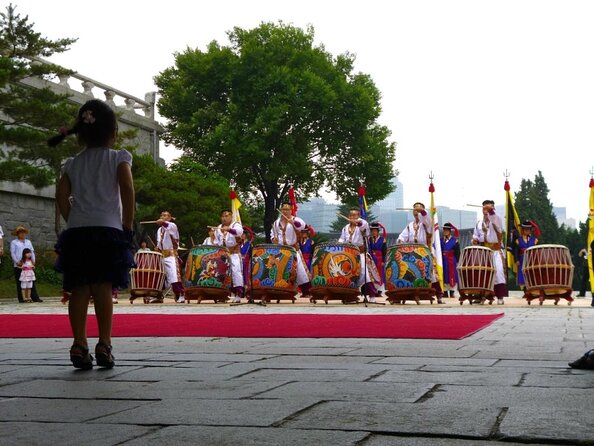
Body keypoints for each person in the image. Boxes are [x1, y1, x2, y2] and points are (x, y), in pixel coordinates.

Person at [51, 99, 135, 369]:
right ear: (113, 133)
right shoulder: (119, 157)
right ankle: (104, 343)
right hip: (108, 229)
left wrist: (72, 219)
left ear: (81, 133)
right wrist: (127, 223)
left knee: (78, 289)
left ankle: (79, 343)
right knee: (102, 287)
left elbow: (61, 196)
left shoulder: (72, 163)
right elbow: (127, 190)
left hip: (77, 232)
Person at [397, 203, 444, 303]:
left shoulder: (426, 223)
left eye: (418, 208)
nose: (416, 210)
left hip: (424, 252)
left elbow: (426, 218)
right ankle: (404, 293)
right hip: (411, 252)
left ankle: (439, 296)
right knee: (406, 270)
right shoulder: (410, 226)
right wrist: (400, 240)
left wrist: (422, 211)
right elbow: (402, 236)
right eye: (415, 208)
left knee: (432, 274)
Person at [271, 203, 313, 298]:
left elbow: (302, 226)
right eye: (283, 209)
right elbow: (272, 233)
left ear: (291, 210)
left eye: (287, 209)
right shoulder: (276, 223)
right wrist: (274, 239)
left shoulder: (296, 220)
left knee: (300, 271)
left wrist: (293, 223)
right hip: (281, 251)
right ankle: (282, 291)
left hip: (293, 249)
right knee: (281, 270)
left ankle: (306, 291)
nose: (285, 211)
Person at [338, 207, 380, 302]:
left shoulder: (362, 224)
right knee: (348, 274)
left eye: (355, 215)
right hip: (348, 255)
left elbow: (363, 225)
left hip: (360, 254)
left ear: (359, 216)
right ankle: (351, 295)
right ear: (348, 216)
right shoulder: (345, 228)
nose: (352, 217)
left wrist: (358, 222)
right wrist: (339, 244)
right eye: (351, 215)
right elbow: (341, 239)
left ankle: (372, 295)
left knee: (365, 274)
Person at [472, 200, 508, 304]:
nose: (486, 210)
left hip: (495, 251)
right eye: (484, 208)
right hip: (483, 251)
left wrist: (490, 209)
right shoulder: (479, 223)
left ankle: (500, 296)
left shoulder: (496, 220)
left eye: (488, 208)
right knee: (481, 273)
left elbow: (493, 216)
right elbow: (476, 236)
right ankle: (482, 296)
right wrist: (474, 240)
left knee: (498, 273)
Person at [214, 209, 244, 303]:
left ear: (231, 217)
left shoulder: (235, 225)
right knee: (220, 273)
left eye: (227, 216)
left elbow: (239, 232)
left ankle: (238, 294)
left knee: (236, 272)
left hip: (233, 253)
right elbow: (216, 241)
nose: (224, 218)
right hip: (223, 254)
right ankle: (223, 294)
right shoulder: (219, 227)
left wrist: (229, 230)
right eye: (223, 216)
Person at [155, 211, 185, 303]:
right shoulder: (159, 230)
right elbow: (160, 243)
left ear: (170, 218)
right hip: (162, 255)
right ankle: (158, 296)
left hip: (171, 255)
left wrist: (163, 222)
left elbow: (167, 226)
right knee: (160, 276)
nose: (164, 217)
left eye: (166, 216)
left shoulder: (172, 225)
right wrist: (157, 248)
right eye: (162, 215)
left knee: (174, 276)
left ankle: (181, 294)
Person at [10, 226, 43, 303]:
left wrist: (33, 261)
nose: (23, 234)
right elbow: (13, 253)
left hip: (28, 264)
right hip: (19, 265)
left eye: (24, 233)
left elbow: (32, 251)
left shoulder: (28, 242)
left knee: (31, 281)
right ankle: (22, 298)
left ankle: (34, 297)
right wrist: (17, 261)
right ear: (17, 234)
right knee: (20, 281)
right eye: (21, 233)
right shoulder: (14, 242)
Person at [516, 220, 539, 289]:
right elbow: (516, 251)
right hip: (522, 258)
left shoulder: (534, 240)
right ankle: (525, 289)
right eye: (525, 229)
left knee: (531, 273)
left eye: (528, 229)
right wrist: (517, 260)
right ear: (522, 230)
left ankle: (531, 288)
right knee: (522, 273)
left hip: (531, 259)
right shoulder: (518, 240)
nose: (527, 230)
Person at [440, 222, 460, 298]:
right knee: (444, 274)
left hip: (452, 260)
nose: (445, 231)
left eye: (446, 230)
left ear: (450, 231)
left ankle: (452, 291)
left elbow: (458, 252)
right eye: (444, 229)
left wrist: (458, 261)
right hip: (443, 260)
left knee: (452, 274)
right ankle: (444, 291)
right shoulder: (440, 240)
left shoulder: (455, 241)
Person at [368, 222, 386, 296]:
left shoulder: (382, 239)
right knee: (372, 273)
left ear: (378, 232)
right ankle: (373, 289)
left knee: (380, 274)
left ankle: (380, 290)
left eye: (375, 231)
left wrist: (383, 261)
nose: (374, 232)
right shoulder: (369, 239)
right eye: (372, 231)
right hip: (372, 258)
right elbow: (368, 249)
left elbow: (384, 250)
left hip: (379, 258)